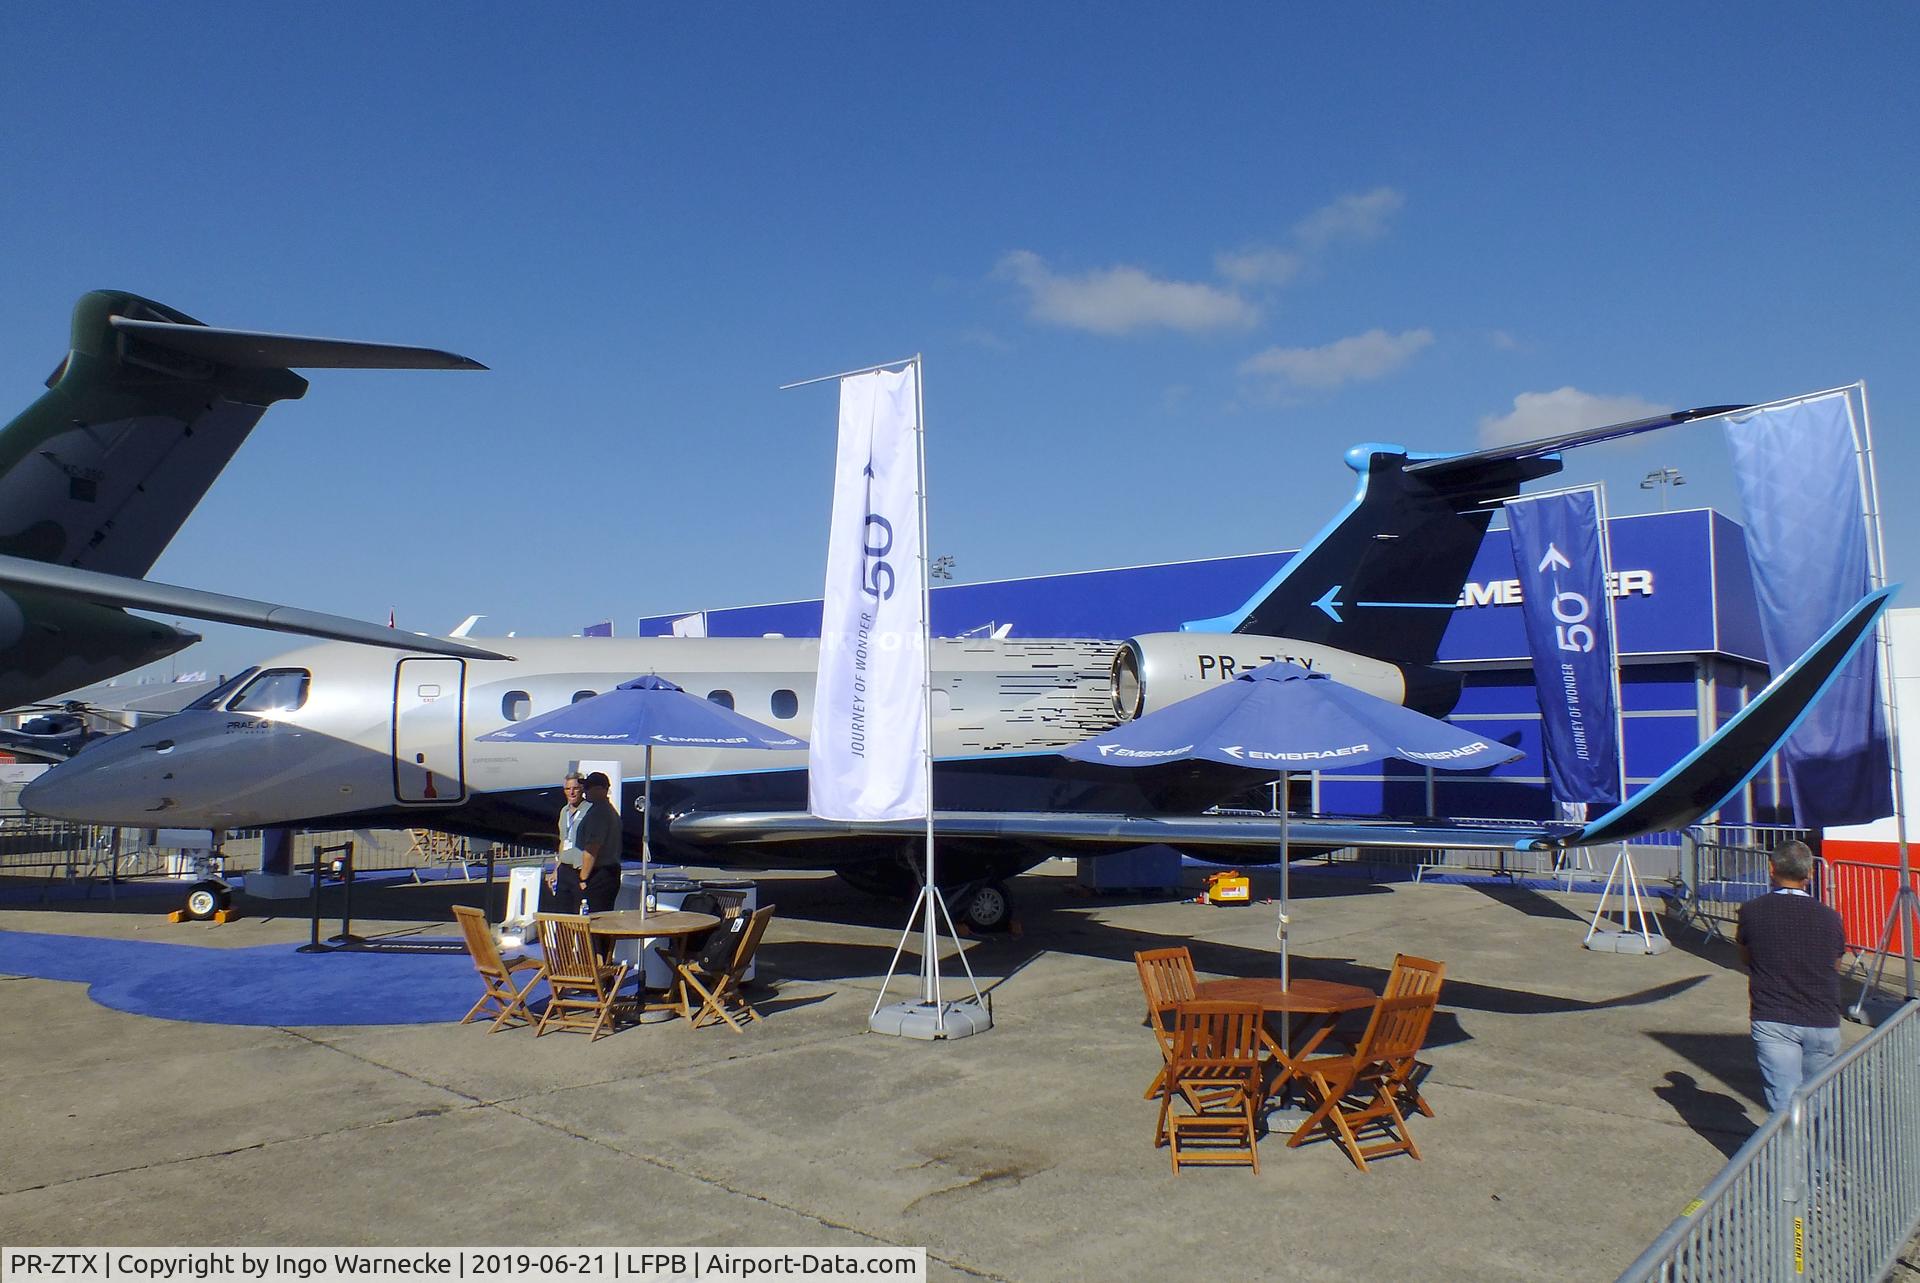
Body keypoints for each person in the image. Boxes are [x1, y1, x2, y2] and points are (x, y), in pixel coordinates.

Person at [1736, 839, 1849, 1112]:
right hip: (1821, 1017)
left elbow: (1745, 956)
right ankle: (1815, 1153)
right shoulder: (1831, 917)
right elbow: (1835, 963)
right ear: (1810, 873)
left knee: (1784, 1101)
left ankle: (1789, 1153)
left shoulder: (1752, 911)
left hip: (1773, 1016)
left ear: (1771, 868)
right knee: (1818, 1102)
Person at [551, 771, 620, 914]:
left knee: (592, 921)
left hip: (596, 873)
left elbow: (591, 849)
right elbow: (564, 841)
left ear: (602, 789)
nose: (585, 792)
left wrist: (582, 878)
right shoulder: (566, 811)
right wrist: (557, 869)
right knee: (565, 918)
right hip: (570, 871)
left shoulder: (598, 813)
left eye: (587, 788)